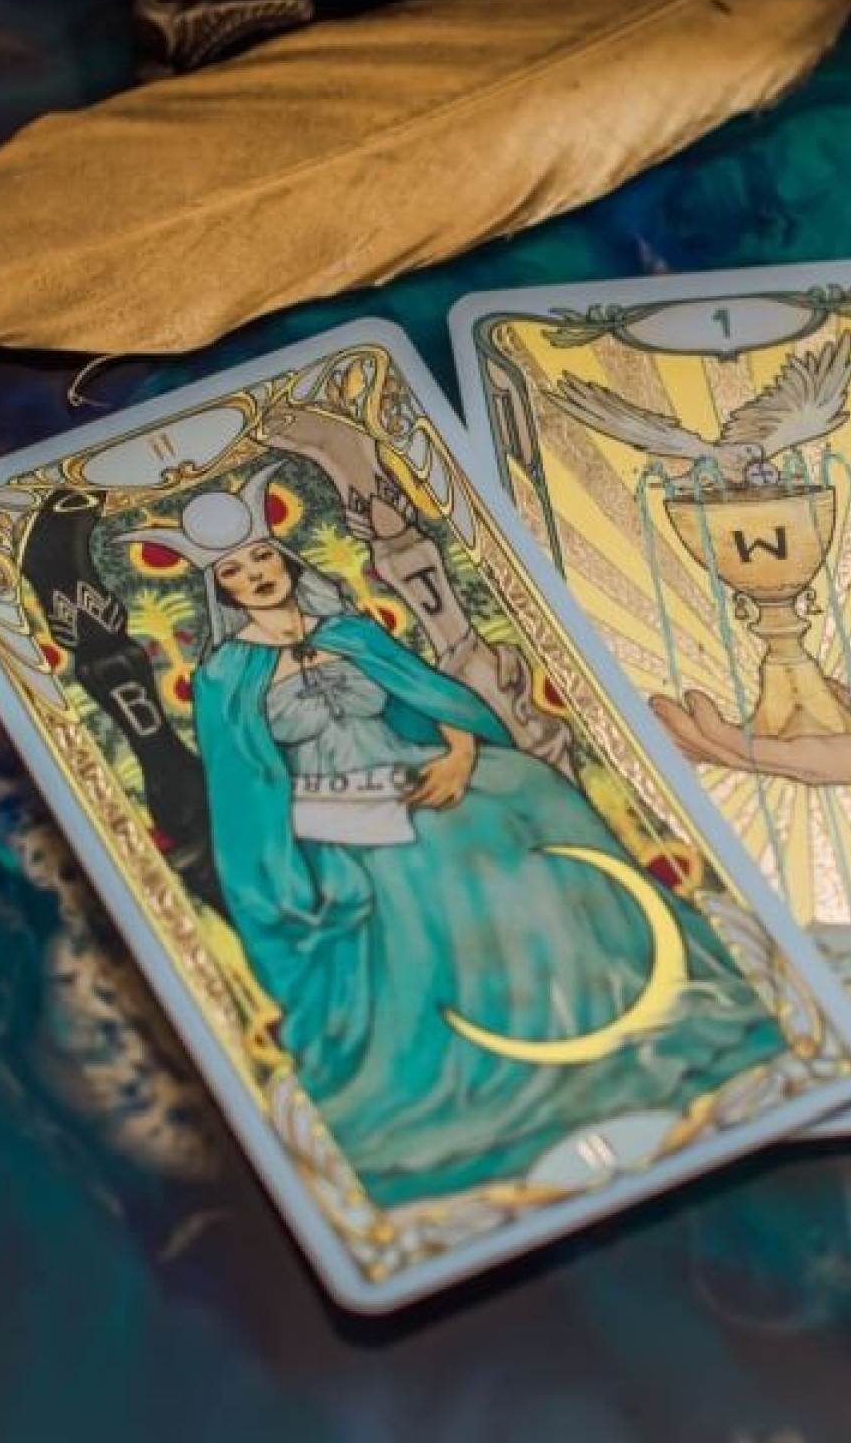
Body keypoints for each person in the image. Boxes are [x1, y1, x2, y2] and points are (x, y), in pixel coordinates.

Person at [147, 462, 786, 1207]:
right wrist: (288, 851)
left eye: (261, 557)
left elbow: (431, 697)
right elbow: (244, 784)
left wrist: (460, 754)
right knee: (426, 867)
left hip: (418, 771)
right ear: (221, 590)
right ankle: (496, 1057)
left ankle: (599, 1008)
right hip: (326, 814)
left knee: (529, 795)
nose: (254, 575)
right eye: (234, 571)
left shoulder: (350, 631)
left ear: (283, 559)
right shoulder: (224, 675)